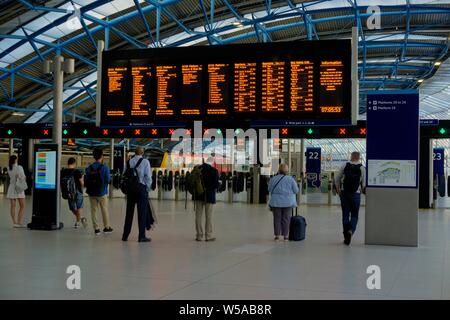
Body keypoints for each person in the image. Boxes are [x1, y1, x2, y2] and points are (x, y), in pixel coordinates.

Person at [335, 151, 366, 246]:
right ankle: (351, 231)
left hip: (344, 193)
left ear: (351, 157)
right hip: (356, 194)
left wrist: (338, 189)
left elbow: (337, 178)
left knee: (345, 215)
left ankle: (345, 235)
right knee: (354, 215)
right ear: (359, 158)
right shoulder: (362, 168)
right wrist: (363, 191)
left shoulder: (345, 165)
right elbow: (364, 183)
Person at [122, 146, 153, 242]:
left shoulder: (128, 162)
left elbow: (124, 174)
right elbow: (148, 177)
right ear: (142, 153)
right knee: (142, 213)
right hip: (141, 189)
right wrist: (147, 189)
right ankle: (141, 236)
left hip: (131, 190)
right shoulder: (145, 162)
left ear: (134, 153)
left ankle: (125, 236)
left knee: (129, 213)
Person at [85, 148, 113, 235]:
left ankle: (96, 229)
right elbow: (108, 180)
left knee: (93, 210)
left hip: (91, 193)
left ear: (93, 157)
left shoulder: (89, 168)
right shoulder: (105, 167)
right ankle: (106, 227)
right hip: (102, 192)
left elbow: (87, 179)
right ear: (102, 156)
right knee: (104, 209)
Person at [268, 164, 299, 241]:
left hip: (276, 202)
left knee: (277, 219)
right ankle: (285, 236)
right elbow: (296, 190)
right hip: (288, 202)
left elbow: (269, 189)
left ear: (279, 170)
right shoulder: (291, 179)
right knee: (286, 219)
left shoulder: (273, 179)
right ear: (287, 171)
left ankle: (277, 236)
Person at [193, 158, 219, 242]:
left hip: (198, 195)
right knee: (208, 217)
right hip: (209, 196)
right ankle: (208, 236)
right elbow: (215, 185)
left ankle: (199, 236)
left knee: (198, 216)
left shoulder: (197, 169)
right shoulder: (214, 171)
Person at [61, 157, 87, 229]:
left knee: (72, 208)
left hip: (68, 193)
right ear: (74, 164)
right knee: (79, 206)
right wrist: (82, 188)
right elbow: (81, 182)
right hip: (78, 191)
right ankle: (78, 222)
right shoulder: (77, 171)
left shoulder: (63, 171)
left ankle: (80, 218)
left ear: (68, 163)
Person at [7, 155, 27, 228]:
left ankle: (14, 223)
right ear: (16, 160)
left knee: (13, 206)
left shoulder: (9, 168)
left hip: (11, 188)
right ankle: (19, 222)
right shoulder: (19, 167)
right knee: (22, 206)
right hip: (19, 188)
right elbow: (23, 177)